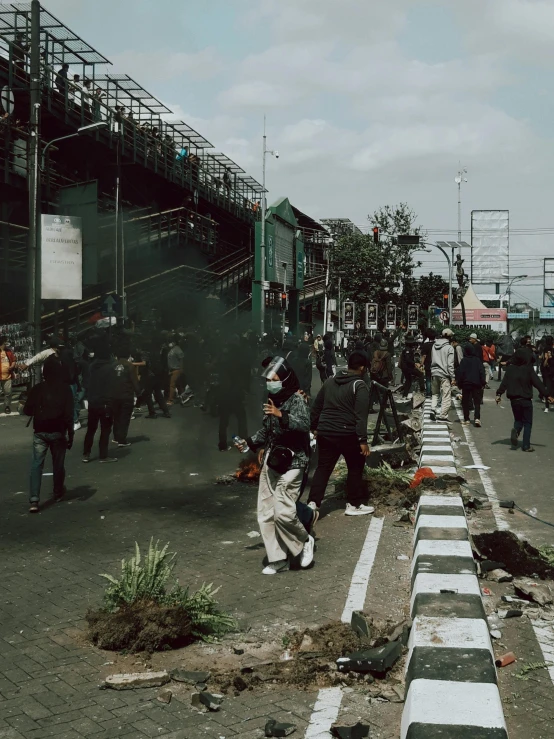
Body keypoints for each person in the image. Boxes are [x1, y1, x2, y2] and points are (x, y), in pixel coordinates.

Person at [239, 357, 314, 575]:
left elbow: (304, 424)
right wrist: (249, 442)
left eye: (274, 379)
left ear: (285, 378)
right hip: (273, 460)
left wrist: (282, 416)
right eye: (268, 380)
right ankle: (277, 558)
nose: (270, 383)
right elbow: (267, 429)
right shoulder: (272, 399)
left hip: (294, 461)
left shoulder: (295, 399)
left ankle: (304, 540)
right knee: (265, 512)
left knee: (283, 511)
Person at [308, 351, 374, 516]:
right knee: (355, 467)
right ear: (362, 368)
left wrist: (314, 427)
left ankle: (313, 503)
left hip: (325, 432)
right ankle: (354, 504)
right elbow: (360, 416)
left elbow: (316, 406)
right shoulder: (359, 386)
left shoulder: (330, 382)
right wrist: (363, 441)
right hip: (347, 434)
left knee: (323, 468)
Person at [24, 358, 73, 513]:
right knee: (58, 463)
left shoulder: (38, 388)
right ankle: (58, 492)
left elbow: (27, 410)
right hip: (58, 431)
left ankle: (34, 499)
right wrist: (70, 434)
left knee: (36, 464)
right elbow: (69, 415)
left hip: (40, 430)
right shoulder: (66, 389)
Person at [496, 349, 554, 452]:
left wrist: (499, 394)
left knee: (518, 420)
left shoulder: (510, 369)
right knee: (527, 423)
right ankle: (526, 445)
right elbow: (538, 384)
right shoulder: (529, 370)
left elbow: (504, 384)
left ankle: (517, 431)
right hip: (526, 400)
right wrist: (547, 395)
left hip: (514, 400)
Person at [82, 347, 117, 463]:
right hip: (105, 403)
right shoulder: (110, 368)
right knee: (105, 429)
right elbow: (112, 387)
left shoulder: (91, 367)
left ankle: (86, 454)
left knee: (91, 429)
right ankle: (103, 455)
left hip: (93, 401)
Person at [112, 349, 140, 447]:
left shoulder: (112, 365)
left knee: (116, 417)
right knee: (124, 417)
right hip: (126, 395)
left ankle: (115, 437)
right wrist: (138, 393)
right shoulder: (130, 366)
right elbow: (134, 381)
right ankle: (122, 440)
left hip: (114, 395)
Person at [455, 344, 486, 427]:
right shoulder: (477, 360)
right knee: (477, 402)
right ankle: (477, 418)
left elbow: (460, 373)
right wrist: (483, 383)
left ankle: (467, 419)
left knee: (465, 402)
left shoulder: (464, 361)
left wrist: (459, 384)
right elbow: (481, 372)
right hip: (476, 384)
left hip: (466, 384)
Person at [430, 328, 455, 422]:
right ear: (450, 337)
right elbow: (450, 364)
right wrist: (453, 377)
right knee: (446, 395)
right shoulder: (449, 348)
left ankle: (433, 409)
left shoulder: (434, 345)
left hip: (434, 372)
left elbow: (432, 358)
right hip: (444, 374)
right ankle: (443, 415)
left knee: (435, 393)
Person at [368, 338, 394, 413]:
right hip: (384, 376)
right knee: (385, 392)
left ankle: (370, 407)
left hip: (374, 375)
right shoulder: (387, 354)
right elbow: (389, 367)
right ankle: (383, 406)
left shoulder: (375, 353)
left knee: (373, 392)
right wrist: (391, 377)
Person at [0, 335, 16, 414]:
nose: (7, 343)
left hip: (7, 376)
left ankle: (7, 406)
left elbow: (13, 360)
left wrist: (12, 366)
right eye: (6, 342)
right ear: (3, 342)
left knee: (8, 393)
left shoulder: (9, 352)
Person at [167, 337, 184, 405]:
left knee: (172, 385)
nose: (169, 343)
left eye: (170, 342)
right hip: (172, 369)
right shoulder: (172, 349)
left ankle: (170, 400)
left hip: (176, 369)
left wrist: (181, 369)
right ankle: (182, 397)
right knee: (178, 385)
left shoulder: (177, 349)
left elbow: (181, 359)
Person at [420, 329, 436, 398]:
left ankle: (428, 393)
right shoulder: (436, 345)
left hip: (428, 364)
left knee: (428, 379)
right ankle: (435, 392)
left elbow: (424, 356)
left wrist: (421, 364)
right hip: (436, 364)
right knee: (434, 379)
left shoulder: (425, 345)